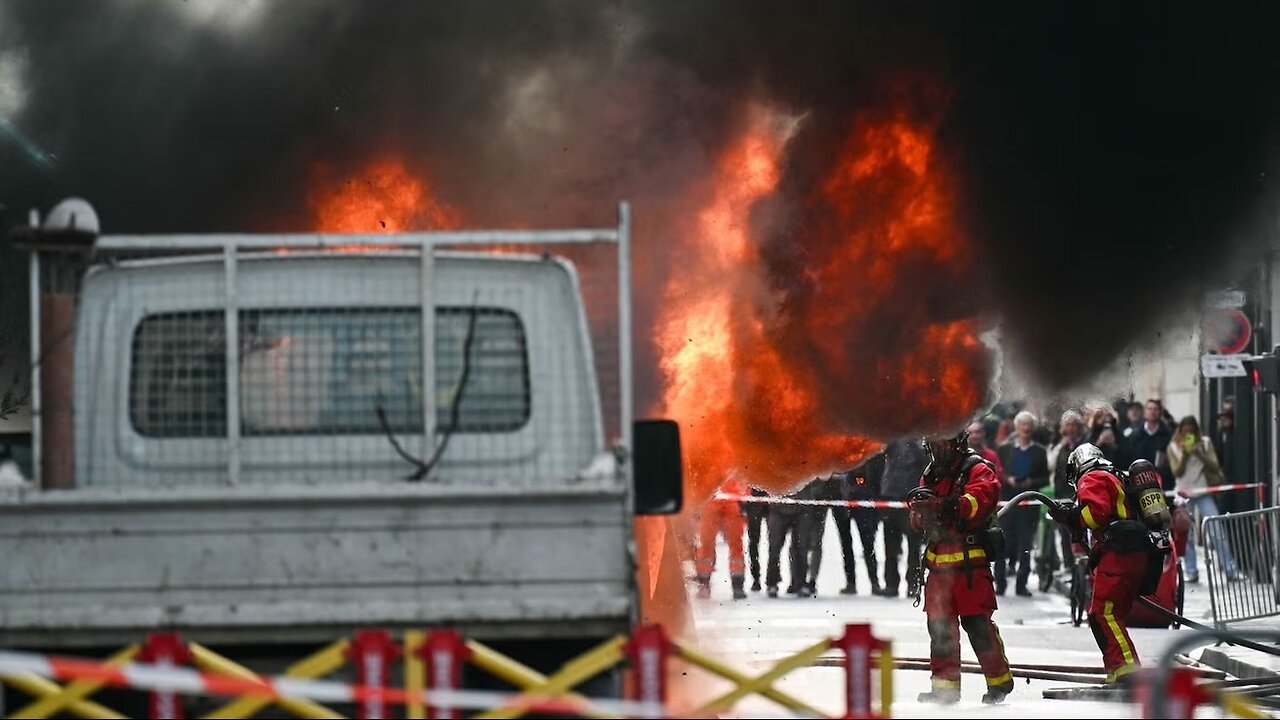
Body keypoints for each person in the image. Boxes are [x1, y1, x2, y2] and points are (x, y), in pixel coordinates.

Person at [911, 431, 1014, 705]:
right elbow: (920, 515)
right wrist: (920, 515)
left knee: (978, 625)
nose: (938, 449)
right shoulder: (931, 474)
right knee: (940, 628)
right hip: (939, 567)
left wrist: (948, 505)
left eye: (942, 442)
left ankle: (999, 682)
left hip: (970, 565)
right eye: (933, 443)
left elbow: (981, 500)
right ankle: (944, 689)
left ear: (958, 442)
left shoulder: (977, 468)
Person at [1049, 444, 1148, 685]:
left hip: (1118, 553)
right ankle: (1117, 671)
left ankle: (1127, 670)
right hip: (1132, 552)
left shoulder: (1091, 477)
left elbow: (1096, 514)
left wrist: (1072, 517)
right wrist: (1073, 516)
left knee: (1103, 613)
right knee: (1106, 614)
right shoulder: (1114, 476)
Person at [1168, 415, 1243, 583]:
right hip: (1184, 493)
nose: (1188, 435)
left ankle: (1230, 569)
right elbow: (1177, 471)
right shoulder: (1174, 446)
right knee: (1186, 533)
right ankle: (1191, 571)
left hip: (1203, 491)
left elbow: (1214, 465)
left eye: (1191, 432)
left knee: (1217, 530)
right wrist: (1185, 455)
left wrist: (1198, 453)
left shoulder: (1205, 443)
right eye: (1185, 432)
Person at [995, 411, 1050, 596]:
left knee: (1025, 546)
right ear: (1017, 427)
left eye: (1029, 425)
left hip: (1028, 506)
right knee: (1002, 544)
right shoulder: (1004, 449)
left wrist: (1031, 483)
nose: (1026, 428)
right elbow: (997, 472)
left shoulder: (1040, 452)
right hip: (1007, 504)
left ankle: (1021, 584)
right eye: (1023, 424)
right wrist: (1007, 479)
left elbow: (1045, 478)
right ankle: (1000, 583)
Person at [878, 439, 929, 597]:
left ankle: (912, 583)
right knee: (891, 544)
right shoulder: (893, 438)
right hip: (891, 494)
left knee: (914, 545)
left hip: (912, 496)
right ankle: (891, 584)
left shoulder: (920, 440)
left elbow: (925, 459)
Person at [830, 457, 884, 595]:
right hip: (841, 500)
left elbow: (873, 473)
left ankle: (874, 582)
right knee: (846, 543)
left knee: (867, 542)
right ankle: (851, 582)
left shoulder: (862, 453)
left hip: (862, 499)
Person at [696, 476, 749, 600]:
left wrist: (744, 499)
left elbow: (747, 476)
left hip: (733, 501)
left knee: (736, 544)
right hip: (710, 501)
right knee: (706, 544)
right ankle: (704, 582)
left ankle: (737, 584)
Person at [1048, 410, 1087, 570]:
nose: (1070, 429)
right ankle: (1068, 565)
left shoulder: (1084, 446)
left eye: (1074, 425)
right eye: (1068, 425)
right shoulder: (1059, 447)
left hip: (1078, 495)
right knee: (1063, 532)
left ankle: (1081, 566)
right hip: (1061, 495)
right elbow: (1050, 466)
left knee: (1078, 531)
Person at [793, 477, 828, 597]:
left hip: (817, 506)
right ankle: (796, 578)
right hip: (800, 505)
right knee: (797, 544)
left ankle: (812, 579)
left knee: (815, 544)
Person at [765, 485, 803, 598]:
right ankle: (772, 582)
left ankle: (799, 582)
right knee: (774, 548)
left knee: (801, 548)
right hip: (777, 509)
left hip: (801, 507)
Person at [1126, 399, 1173, 485]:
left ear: (1160, 412)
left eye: (1155, 409)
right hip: (1139, 479)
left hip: (1162, 479)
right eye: (1149, 409)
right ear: (1145, 412)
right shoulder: (1136, 435)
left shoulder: (1167, 435)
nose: (1152, 412)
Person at [743, 486, 769, 591]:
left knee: (774, 543)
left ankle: (770, 580)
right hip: (754, 500)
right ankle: (756, 578)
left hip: (770, 500)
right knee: (753, 543)